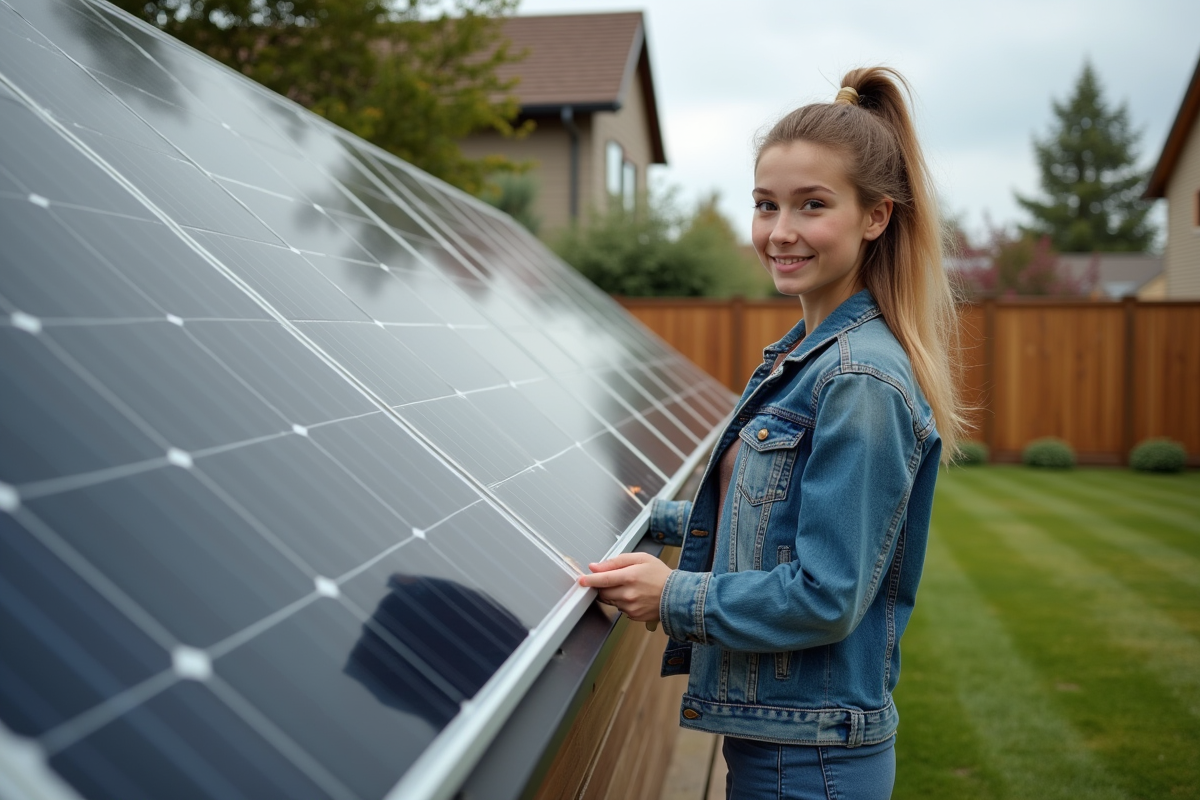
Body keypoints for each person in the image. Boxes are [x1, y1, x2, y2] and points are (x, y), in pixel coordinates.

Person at [578, 66, 965, 799]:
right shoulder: (804, 357)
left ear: (876, 216)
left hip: (811, 763)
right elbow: (776, 525)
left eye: (812, 205)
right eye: (765, 205)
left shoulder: (858, 379)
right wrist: (645, 517)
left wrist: (673, 598)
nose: (780, 232)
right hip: (782, 744)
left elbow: (826, 592)